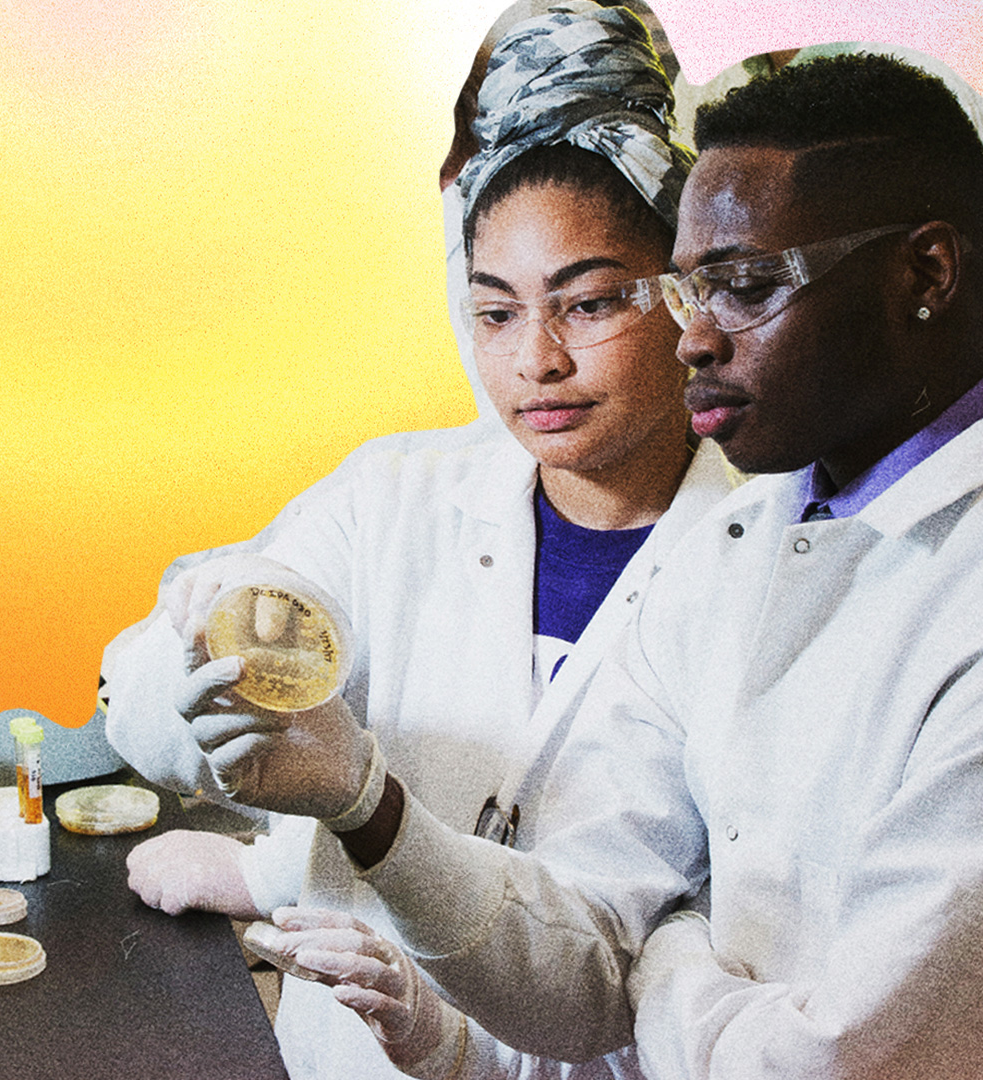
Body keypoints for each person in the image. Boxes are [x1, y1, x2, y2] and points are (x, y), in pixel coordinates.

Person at [260, 51, 983, 1079]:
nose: (696, 339)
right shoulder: (751, 544)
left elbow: (841, 1059)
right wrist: (370, 807)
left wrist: (675, 950)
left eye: (742, 288)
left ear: (926, 273)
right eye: (690, 291)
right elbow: (593, 959)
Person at [107, 5, 733, 1079]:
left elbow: (604, 980)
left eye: (587, 306)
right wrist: (228, 629)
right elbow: (134, 712)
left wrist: (357, 806)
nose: (536, 360)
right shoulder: (398, 496)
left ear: (689, 291)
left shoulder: (765, 558)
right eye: (496, 313)